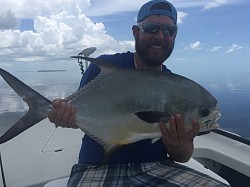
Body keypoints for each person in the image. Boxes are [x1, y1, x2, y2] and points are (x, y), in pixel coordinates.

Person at [48, 0, 230, 186]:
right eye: (151, 28)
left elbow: (182, 157)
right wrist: (64, 116)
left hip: (157, 167)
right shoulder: (103, 67)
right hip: (97, 166)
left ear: (175, 36)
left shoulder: (179, 90)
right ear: (136, 31)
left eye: (169, 30)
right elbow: (82, 112)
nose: (160, 35)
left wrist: (178, 143)